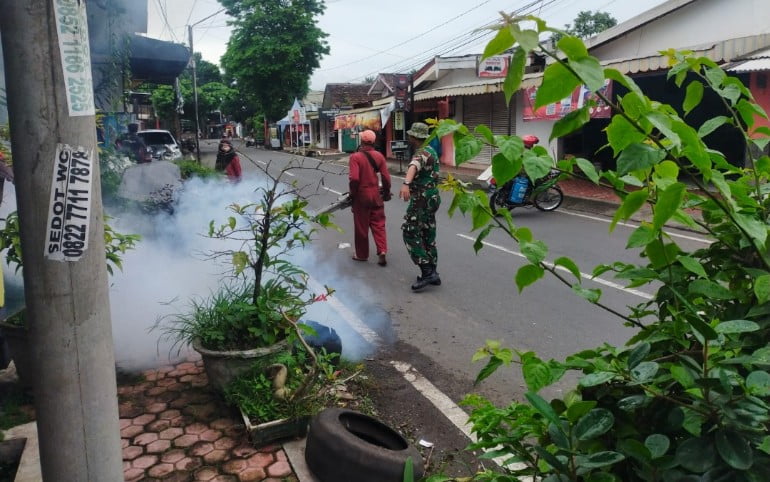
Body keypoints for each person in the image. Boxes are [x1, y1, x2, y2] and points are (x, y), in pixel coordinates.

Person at [399, 122, 441, 291]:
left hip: (422, 199)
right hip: (433, 197)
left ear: (414, 137)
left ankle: (427, 272)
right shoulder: (432, 151)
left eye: (410, 135)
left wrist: (406, 183)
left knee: (409, 231)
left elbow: (413, 166)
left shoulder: (422, 152)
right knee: (427, 232)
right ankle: (434, 272)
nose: (408, 137)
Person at [348, 129, 392, 265]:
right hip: (376, 195)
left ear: (361, 141)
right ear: (373, 142)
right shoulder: (379, 156)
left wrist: (352, 194)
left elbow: (354, 178)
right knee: (379, 225)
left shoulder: (355, 157)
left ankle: (362, 254)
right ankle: (382, 250)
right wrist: (386, 192)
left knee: (362, 227)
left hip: (361, 197)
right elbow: (386, 177)